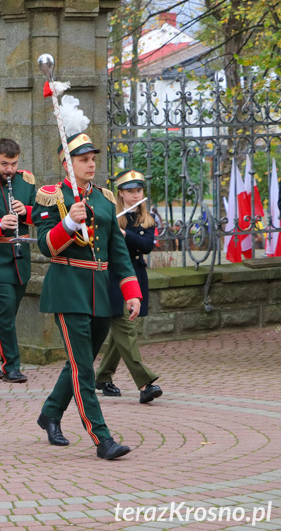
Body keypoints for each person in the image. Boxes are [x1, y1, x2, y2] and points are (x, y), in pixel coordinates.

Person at [32, 132, 140, 460]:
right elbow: (45, 246)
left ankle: (50, 413)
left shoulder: (105, 200)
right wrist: (67, 221)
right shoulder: (52, 197)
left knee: (80, 364)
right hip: (68, 289)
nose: (91, 164)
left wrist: (131, 292)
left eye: (93, 158)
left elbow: (118, 251)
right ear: (68, 163)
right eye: (83, 159)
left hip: (101, 293)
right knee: (84, 369)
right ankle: (102, 438)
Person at [95, 170, 162, 403]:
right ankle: (145, 383)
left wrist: (124, 234)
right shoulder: (110, 216)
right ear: (120, 194)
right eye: (130, 191)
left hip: (137, 277)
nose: (135, 195)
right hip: (114, 279)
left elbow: (146, 246)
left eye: (138, 191)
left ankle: (102, 377)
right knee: (126, 329)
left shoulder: (146, 219)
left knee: (121, 334)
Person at [0, 138, 36, 383]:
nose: (9, 170)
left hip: (20, 256)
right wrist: (0, 226)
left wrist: (26, 212)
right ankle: (11, 365)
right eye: (4, 164)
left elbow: (41, 216)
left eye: (13, 164)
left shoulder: (26, 181)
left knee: (4, 314)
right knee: (6, 309)